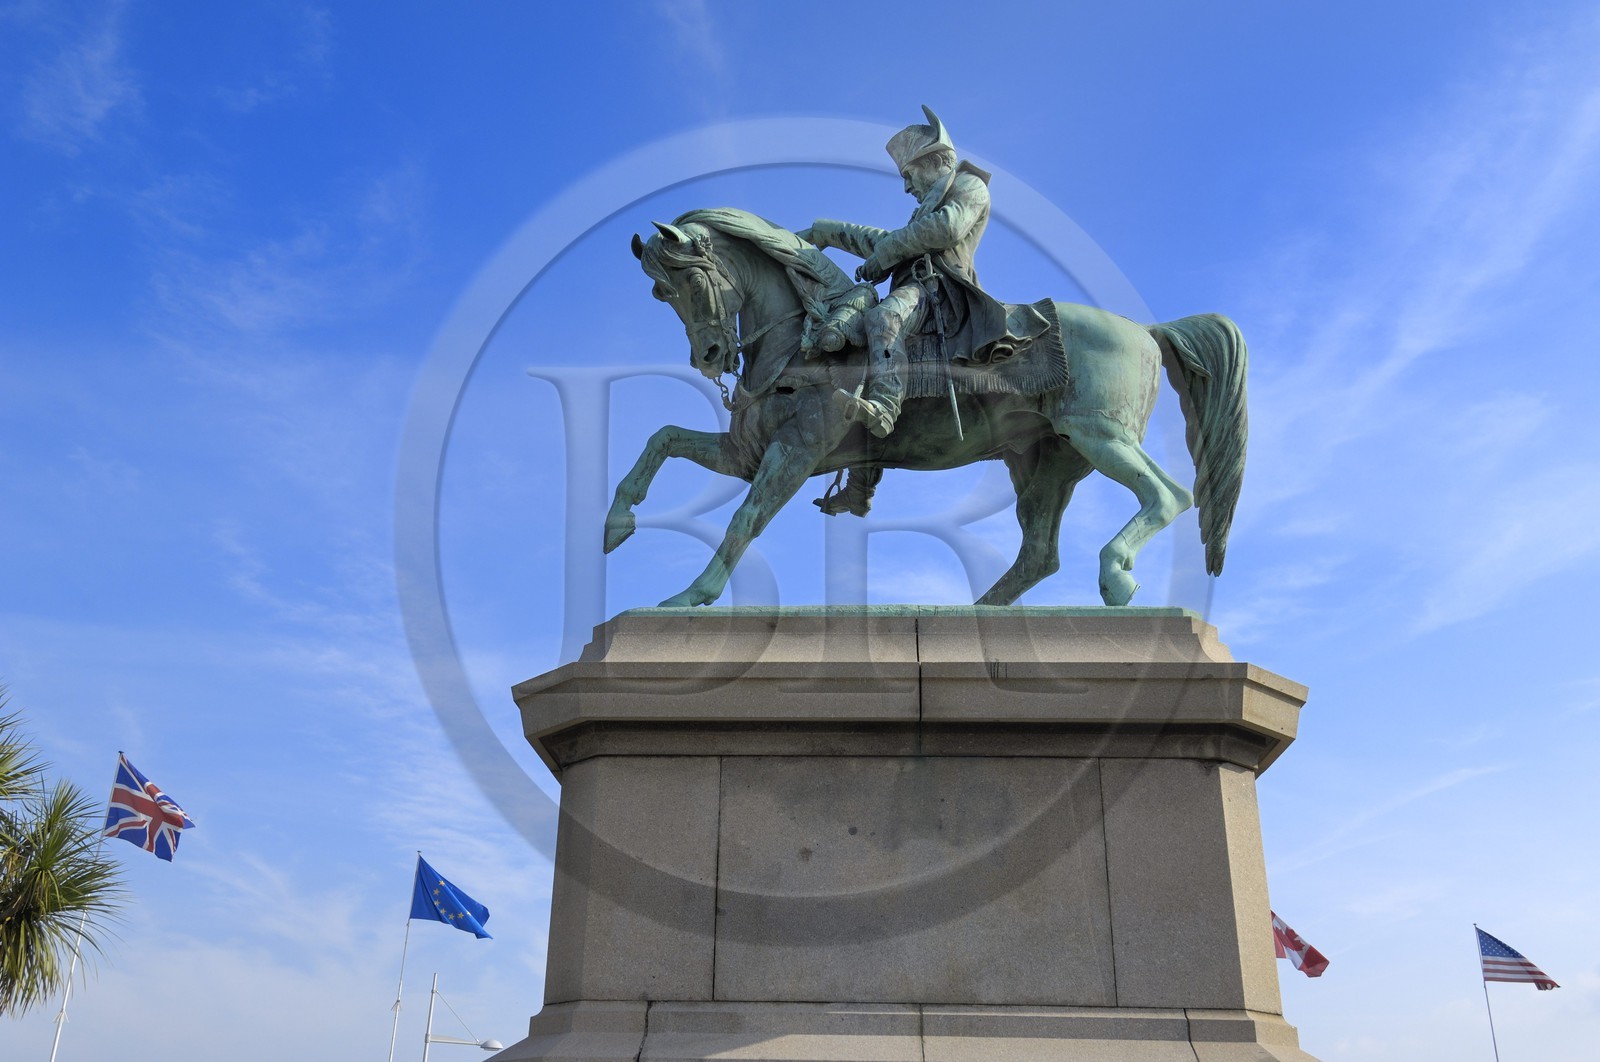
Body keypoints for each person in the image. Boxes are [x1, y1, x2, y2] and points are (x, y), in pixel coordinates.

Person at [800, 106, 1045, 516]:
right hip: (919, 288)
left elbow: (944, 230)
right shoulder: (926, 206)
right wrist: (826, 232)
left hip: (942, 292)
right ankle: (860, 486)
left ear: (933, 162)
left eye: (909, 174)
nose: (906, 187)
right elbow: (892, 239)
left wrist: (885, 256)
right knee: (855, 356)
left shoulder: (969, 185)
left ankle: (886, 405)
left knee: (883, 318)